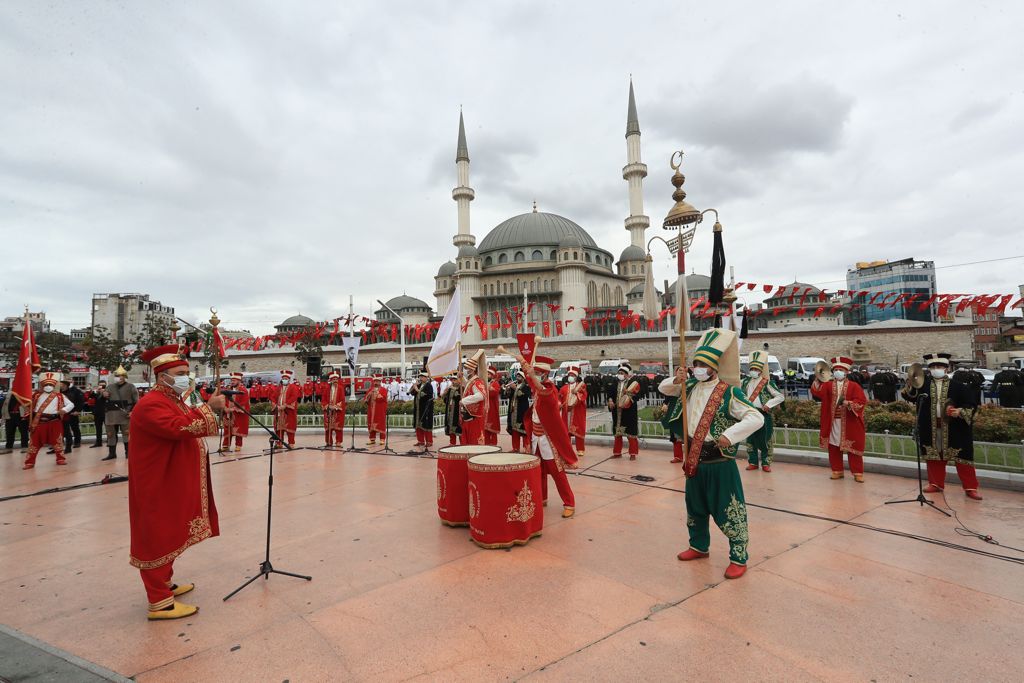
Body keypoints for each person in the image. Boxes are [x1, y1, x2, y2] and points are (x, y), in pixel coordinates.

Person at [129, 343, 225, 620]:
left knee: (172, 528)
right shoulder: (151, 404)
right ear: (163, 377)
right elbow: (179, 427)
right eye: (181, 372)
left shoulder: (173, 400)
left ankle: (165, 583)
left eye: (188, 371)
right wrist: (208, 408)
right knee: (157, 534)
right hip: (157, 481)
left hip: (171, 477)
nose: (188, 376)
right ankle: (159, 602)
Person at [659, 328, 763, 579]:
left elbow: (755, 416)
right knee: (695, 507)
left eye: (703, 365)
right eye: (695, 364)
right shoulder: (690, 386)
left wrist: (731, 435)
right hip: (694, 458)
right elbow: (664, 389)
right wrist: (678, 379)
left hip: (719, 461)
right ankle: (698, 546)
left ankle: (739, 557)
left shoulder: (729, 392)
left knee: (729, 508)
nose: (698, 369)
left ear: (714, 368)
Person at [504, 350, 579, 518]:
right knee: (538, 471)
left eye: (537, 374)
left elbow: (543, 392)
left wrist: (532, 375)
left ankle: (569, 502)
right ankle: (542, 497)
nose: (534, 377)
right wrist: (522, 361)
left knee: (557, 473)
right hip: (536, 437)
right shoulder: (538, 386)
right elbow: (531, 381)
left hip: (548, 439)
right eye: (535, 373)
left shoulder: (550, 390)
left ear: (544, 375)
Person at [901, 353, 983, 500]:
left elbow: (971, 403)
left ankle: (970, 487)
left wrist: (960, 411)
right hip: (930, 426)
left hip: (954, 428)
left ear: (946, 368)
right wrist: (911, 383)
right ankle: (936, 483)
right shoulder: (923, 384)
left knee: (963, 458)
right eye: (932, 367)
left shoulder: (958, 386)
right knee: (933, 456)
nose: (935, 369)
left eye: (939, 366)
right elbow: (909, 396)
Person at [810, 356, 867, 482]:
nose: (838, 372)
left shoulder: (854, 386)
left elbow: (862, 401)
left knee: (853, 447)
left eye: (840, 370)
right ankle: (837, 470)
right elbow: (817, 392)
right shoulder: (828, 385)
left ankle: (857, 472)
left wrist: (849, 403)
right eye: (836, 370)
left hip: (849, 421)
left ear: (846, 372)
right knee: (834, 446)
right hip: (833, 422)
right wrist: (818, 378)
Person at [741, 350, 785, 472]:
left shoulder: (767, 383)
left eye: (756, 369)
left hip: (763, 414)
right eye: (752, 368)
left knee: (766, 438)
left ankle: (766, 462)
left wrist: (769, 404)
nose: (753, 371)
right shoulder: (744, 382)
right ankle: (753, 462)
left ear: (760, 371)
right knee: (750, 439)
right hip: (749, 414)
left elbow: (780, 396)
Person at [22, 372, 76, 469]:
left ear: (54, 385)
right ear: (42, 385)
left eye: (50, 385)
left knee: (57, 441)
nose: (48, 386)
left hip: (54, 421)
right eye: (46, 385)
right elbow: (28, 405)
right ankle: (29, 462)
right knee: (34, 442)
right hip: (39, 421)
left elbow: (71, 404)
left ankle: (60, 459)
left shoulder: (60, 396)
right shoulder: (36, 395)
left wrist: (64, 410)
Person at [102, 366, 138, 461]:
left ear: (124, 377)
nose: (118, 377)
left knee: (127, 434)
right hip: (111, 414)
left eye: (120, 375)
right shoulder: (110, 386)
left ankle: (128, 453)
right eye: (116, 375)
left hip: (125, 413)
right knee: (110, 434)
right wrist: (103, 395)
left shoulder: (131, 387)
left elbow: (137, 401)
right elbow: (102, 399)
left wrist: (132, 411)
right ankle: (112, 453)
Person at [608, 363, 641, 459]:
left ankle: (633, 453)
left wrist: (628, 399)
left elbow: (637, 395)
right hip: (617, 413)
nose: (620, 375)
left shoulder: (633, 383)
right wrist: (610, 400)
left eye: (622, 373)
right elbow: (610, 393)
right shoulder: (615, 383)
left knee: (631, 434)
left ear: (626, 374)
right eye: (619, 373)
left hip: (629, 413)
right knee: (618, 433)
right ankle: (617, 453)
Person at [459, 351, 489, 446]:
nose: (466, 370)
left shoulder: (477, 381)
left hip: (474, 417)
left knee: (474, 442)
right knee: (468, 441)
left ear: (473, 370)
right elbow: (468, 386)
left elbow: (480, 396)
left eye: (468, 368)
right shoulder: (472, 381)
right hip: (468, 416)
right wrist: (462, 378)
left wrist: (464, 401)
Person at [559, 366, 588, 456]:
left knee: (578, 430)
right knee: (565, 431)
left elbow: (584, 396)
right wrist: (559, 404)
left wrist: (577, 394)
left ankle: (580, 449)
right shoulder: (563, 388)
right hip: (566, 412)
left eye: (572, 375)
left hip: (576, 412)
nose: (570, 377)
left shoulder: (581, 386)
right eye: (569, 375)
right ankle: (567, 449)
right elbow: (559, 398)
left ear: (576, 377)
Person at [221, 372, 249, 452]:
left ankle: (238, 445)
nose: (232, 382)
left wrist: (233, 409)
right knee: (227, 429)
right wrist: (225, 408)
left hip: (237, 413)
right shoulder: (228, 389)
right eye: (231, 380)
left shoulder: (243, 390)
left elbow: (244, 402)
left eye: (234, 380)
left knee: (238, 429)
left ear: (239, 381)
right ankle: (226, 445)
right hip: (227, 412)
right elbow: (223, 399)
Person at [272, 369, 301, 447]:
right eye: (283, 378)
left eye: (286, 379)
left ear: (289, 379)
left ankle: (291, 443)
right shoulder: (278, 388)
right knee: (279, 428)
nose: (284, 380)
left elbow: (294, 397)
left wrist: (285, 405)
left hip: (288, 411)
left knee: (290, 427)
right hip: (279, 411)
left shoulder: (293, 387)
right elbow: (273, 397)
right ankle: (279, 443)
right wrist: (275, 405)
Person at [505, 370, 532, 453]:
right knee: (514, 430)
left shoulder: (526, 386)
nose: (517, 378)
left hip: (522, 411)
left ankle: (526, 448)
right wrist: (507, 389)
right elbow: (508, 396)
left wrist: (515, 388)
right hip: (513, 412)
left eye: (519, 376)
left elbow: (523, 396)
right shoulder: (515, 385)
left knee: (523, 430)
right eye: (517, 376)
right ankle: (515, 448)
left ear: (523, 378)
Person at [60, 378, 86, 453]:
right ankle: (58, 445)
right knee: (62, 430)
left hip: (73, 412)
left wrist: (78, 410)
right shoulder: (60, 391)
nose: (62, 386)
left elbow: (81, 401)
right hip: (63, 413)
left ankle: (77, 442)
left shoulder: (76, 391)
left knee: (75, 427)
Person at [321, 371, 347, 447]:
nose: (335, 381)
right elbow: (323, 400)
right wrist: (328, 406)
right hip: (328, 411)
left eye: (336, 379)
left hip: (337, 411)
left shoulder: (341, 388)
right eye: (334, 379)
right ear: (331, 380)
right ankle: (328, 441)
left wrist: (335, 407)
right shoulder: (326, 389)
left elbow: (342, 399)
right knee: (328, 428)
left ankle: (338, 441)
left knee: (338, 428)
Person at [410, 371, 434, 448]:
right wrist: (414, 387)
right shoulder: (419, 385)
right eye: (420, 376)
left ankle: (429, 441)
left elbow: (426, 396)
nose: (421, 378)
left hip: (426, 408)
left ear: (426, 378)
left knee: (426, 425)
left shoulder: (428, 385)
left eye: (422, 376)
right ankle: (420, 441)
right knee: (418, 424)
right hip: (418, 408)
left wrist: (417, 390)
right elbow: (412, 393)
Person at [2, 389, 29, 454]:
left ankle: (25, 447)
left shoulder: (24, 391)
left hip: (21, 415)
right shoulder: (9, 393)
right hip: (10, 415)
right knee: (9, 432)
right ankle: (8, 448)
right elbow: (5, 404)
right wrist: (3, 414)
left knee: (23, 432)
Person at [365, 375, 388, 445]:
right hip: (371, 410)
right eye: (375, 381)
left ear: (380, 382)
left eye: (377, 381)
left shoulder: (383, 390)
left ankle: (382, 439)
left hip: (380, 410)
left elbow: (383, 398)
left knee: (381, 424)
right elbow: (366, 399)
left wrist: (377, 393)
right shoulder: (370, 389)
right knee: (371, 423)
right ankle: (372, 439)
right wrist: (369, 394)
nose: (376, 383)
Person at [441, 374, 462, 446]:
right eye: (452, 380)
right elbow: (445, 400)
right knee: (450, 425)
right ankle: (452, 443)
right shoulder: (450, 388)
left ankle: (463, 443)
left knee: (458, 427)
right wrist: (444, 393)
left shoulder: (462, 388)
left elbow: (458, 397)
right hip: (450, 410)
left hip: (458, 410)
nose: (453, 381)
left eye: (455, 380)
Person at [483, 366, 502, 446]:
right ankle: (486, 445)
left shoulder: (495, 383)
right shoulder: (484, 383)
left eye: (488, 374)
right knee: (485, 430)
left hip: (492, 409)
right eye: (486, 374)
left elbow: (494, 393)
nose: (487, 375)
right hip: (484, 409)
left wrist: (487, 388)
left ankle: (494, 445)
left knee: (492, 428)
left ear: (492, 375)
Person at [89, 379, 108, 448]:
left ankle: (110, 441)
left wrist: (103, 392)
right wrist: (94, 391)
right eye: (100, 385)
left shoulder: (107, 392)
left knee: (108, 427)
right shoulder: (97, 393)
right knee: (98, 428)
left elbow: (106, 398)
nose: (101, 387)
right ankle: (98, 442)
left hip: (106, 412)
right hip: (97, 412)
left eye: (103, 385)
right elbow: (91, 396)